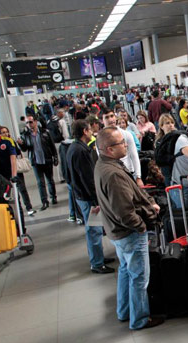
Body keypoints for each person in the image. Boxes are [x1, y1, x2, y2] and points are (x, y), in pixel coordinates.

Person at [93, 126, 164, 330]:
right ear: (109, 149)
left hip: (117, 232)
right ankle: (139, 319)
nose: (126, 145)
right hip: (129, 233)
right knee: (139, 277)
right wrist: (141, 227)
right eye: (121, 143)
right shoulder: (113, 174)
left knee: (125, 270)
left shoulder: (104, 165)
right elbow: (124, 212)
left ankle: (124, 311)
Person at [66, 120, 115, 274]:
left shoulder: (74, 148)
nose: (92, 132)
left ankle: (98, 257)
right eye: (89, 129)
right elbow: (88, 178)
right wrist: (96, 199)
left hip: (81, 195)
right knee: (94, 230)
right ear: (84, 131)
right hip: (88, 198)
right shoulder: (80, 151)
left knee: (94, 229)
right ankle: (97, 263)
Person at [19, 115, 58, 210]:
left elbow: (52, 145)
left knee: (50, 180)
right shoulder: (25, 135)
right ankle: (44, 201)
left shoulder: (45, 132)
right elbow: (25, 149)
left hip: (47, 159)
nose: (29, 124)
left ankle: (53, 196)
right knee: (40, 182)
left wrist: (55, 156)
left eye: (30, 122)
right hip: (35, 161)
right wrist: (21, 145)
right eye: (27, 123)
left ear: (36, 122)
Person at [0, 126, 36, 217]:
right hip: (7, 171)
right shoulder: (0, 145)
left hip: (17, 169)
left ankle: (29, 208)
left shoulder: (11, 141)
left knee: (22, 188)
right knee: (12, 192)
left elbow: (18, 152)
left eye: (6, 132)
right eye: (3, 132)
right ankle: (18, 210)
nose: (5, 134)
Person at [102, 109, 144, 188]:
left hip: (129, 172)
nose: (110, 119)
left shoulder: (127, 134)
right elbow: (102, 160)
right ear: (102, 120)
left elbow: (134, 156)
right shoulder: (100, 139)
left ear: (115, 117)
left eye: (112, 116)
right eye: (107, 117)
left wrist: (138, 177)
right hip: (112, 176)